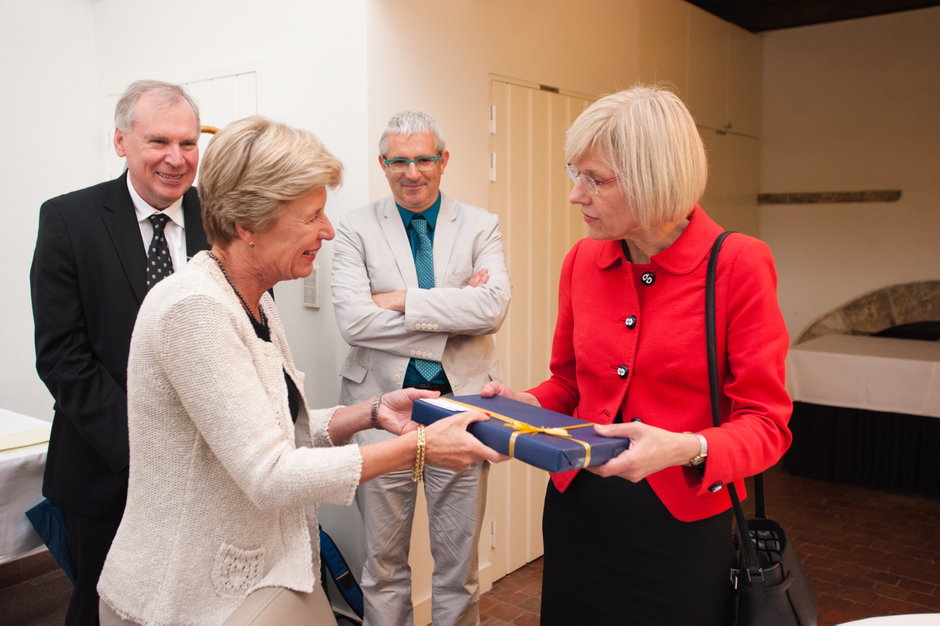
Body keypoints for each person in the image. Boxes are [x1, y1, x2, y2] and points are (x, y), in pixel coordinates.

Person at [94, 115, 503, 625]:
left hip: (258, 578)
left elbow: (276, 427)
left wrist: (371, 412)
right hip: (183, 596)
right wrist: (419, 446)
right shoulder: (194, 309)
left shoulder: (255, 299)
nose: (327, 231)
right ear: (247, 225)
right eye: (311, 216)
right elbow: (269, 473)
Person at [481, 85, 793, 624]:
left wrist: (685, 448)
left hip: (682, 529)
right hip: (579, 512)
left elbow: (767, 426)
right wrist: (525, 405)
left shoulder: (737, 264)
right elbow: (569, 386)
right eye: (574, 174)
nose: (576, 195)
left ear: (655, 179)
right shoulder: (582, 261)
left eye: (595, 179)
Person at [30, 79, 208, 624]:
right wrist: (147, 449)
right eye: (158, 141)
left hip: (207, 468)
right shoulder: (69, 220)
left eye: (188, 143)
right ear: (121, 141)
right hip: (104, 467)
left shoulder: (221, 218)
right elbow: (62, 356)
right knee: (103, 608)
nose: (176, 158)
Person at [331, 111, 511, 625]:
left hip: (462, 409)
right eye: (399, 162)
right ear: (383, 164)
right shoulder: (355, 228)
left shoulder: (480, 225)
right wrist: (454, 311)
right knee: (382, 565)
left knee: (459, 569)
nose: (412, 173)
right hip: (380, 413)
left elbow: (492, 310)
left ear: (443, 160)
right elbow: (354, 322)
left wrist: (398, 300)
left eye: (424, 159)